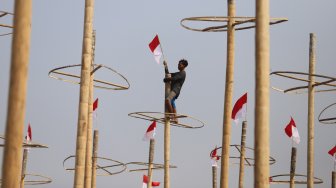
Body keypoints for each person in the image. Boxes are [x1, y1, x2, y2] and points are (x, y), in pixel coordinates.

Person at [163, 59, 188, 123]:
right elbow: (168, 74)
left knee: (167, 100)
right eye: (178, 64)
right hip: (174, 90)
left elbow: (174, 78)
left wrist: (167, 79)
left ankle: (172, 117)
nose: (178, 65)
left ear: (184, 66)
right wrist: (166, 66)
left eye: (180, 64)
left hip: (175, 90)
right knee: (172, 102)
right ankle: (175, 118)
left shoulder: (183, 73)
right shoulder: (178, 73)